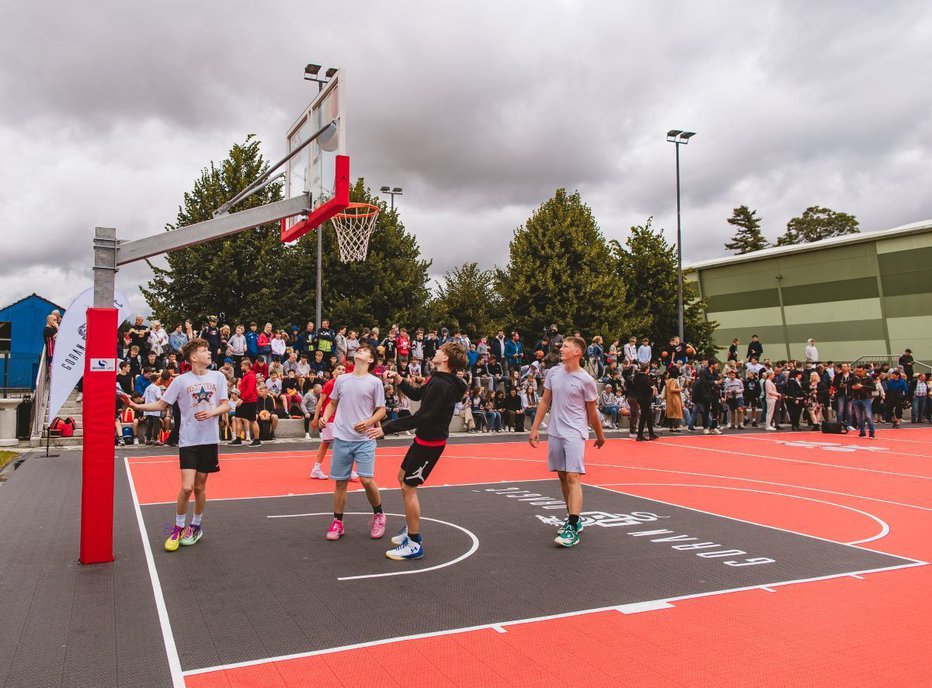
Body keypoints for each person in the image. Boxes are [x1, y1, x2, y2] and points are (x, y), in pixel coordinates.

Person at [368, 342, 468, 560]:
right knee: (402, 477)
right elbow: (415, 395)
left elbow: (422, 417)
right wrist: (399, 380)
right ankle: (409, 528)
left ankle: (414, 543)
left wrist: (386, 428)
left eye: (440, 351)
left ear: (447, 359)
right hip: (423, 439)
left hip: (430, 444)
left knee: (408, 488)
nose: (436, 352)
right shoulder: (436, 379)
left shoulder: (443, 385)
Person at [129, 338, 229, 551]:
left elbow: (226, 405)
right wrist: (136, 406)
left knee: (200, 487)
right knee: (186, 488)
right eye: (205, 350)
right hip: (189, 440)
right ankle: (177, 529)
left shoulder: (218, 377)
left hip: (209, 440)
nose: (209, 353)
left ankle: (195, 526)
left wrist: (211, 412)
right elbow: (161, 403)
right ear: (194, 357)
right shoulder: (181, 381)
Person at [529, 336, 605, 548]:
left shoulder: (586, 380)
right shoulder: (553, 373)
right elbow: (545, 401)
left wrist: (600, 436)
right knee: (562, 475)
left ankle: (572, 526)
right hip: (555, 431)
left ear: (577, 352)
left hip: (575, 432)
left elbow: (592, 412)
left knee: (573, 475)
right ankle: (574, 517)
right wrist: (535, 428)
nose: (561, 349)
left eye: (565, 346)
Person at [318, 344, 386, 540]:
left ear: (371, 359)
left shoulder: (375, 383)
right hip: (342, 437)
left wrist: (368, 422)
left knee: (366, 479)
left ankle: (379, 515)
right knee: (340, 482)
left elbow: (381, 410)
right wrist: (325, 417)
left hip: (364, 439)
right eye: (359, 349)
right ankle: (337, 522)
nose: (359, 351)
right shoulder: (342, 379)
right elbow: (332, 403)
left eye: (364, 351)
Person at [309, 364, 356, 480]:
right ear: (334, 371)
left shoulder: (345, 385)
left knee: (326, 444)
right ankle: (346, 471)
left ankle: (316, 469)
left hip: (339, 419)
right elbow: (320, 402)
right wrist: (316, 418)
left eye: (343, 370)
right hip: (329, 419)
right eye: (339, 369)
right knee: (341, 444)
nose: (341, 371)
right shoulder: (330, 384)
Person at [632, 364, 658, 441]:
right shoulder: (645, 378)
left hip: (639, 397)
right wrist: (653, 388)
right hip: (645, 398)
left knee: (649, 414)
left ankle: (651, 433)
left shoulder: (637, 377)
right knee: (644, 416)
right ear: (647, 369)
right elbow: (648, 388)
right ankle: (640, 435)